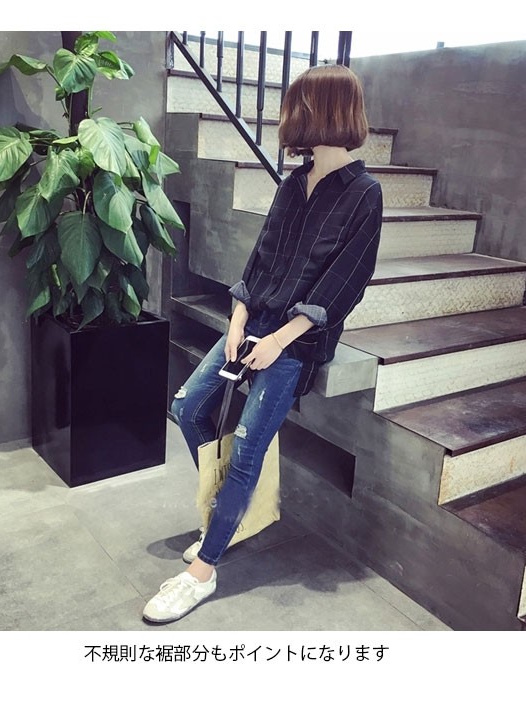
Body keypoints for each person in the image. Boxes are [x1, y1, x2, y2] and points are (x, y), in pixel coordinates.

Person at [142, 63, 383, 623]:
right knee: (188, 407)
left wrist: (279, 339)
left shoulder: (364, 195)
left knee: (248, 445)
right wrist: (237, 318)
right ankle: (231, 512)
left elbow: (345, 283)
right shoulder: (294, 184)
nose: (289, 117)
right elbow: (261, 259)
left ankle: (203, 571)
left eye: (299, 106)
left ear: (327, 112)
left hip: (296, 342)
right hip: (254, 323)